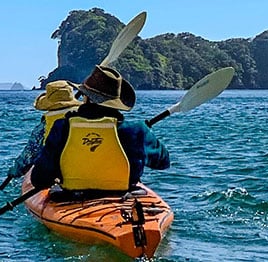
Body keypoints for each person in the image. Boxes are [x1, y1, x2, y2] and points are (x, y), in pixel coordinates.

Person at [29, 65, 169, 200]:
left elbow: (39, 179)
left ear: (86, 98)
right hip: (122, 194)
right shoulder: (137, 130)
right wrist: (145, 135)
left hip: (72, 195)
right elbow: (163, 162)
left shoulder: (61, 127)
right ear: (116, 101)